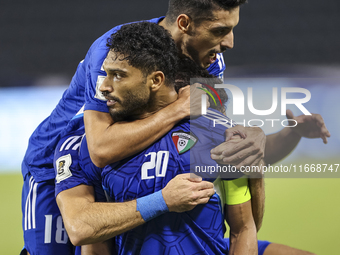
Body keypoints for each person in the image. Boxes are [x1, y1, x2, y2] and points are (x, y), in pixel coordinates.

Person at [21, 0, 327, 253]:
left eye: (232, 29)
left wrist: (260, 140)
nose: (230, 42)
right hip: (58, 167)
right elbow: (100, 149)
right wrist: (177, 109)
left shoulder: (209, 61)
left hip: (137, 162)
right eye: (220, 30)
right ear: (184, 24)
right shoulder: (116, 53)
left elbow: (218, 143)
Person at [55, 22, 259, 255]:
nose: (103, 87)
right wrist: (163, 201)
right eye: (106, 74)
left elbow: (243, 228)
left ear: (156, 80)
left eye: (118, 75)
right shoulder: (85, 147)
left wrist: (256, 168)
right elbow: (84, 232)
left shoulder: (217, 133)